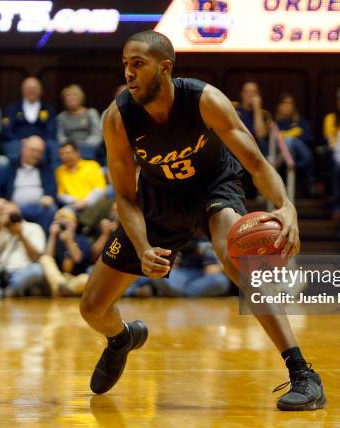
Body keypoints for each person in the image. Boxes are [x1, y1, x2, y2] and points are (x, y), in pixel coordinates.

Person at [79, 31, 325, 411]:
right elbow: (126, 196)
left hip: (213, 188)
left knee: (236, 258)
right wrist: (143, 248)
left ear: (165, 68)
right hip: (158, 201)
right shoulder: (118, 118)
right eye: (125, 64)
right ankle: (121, 339)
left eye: (138, 64)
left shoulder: (204, 99)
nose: (129, 73)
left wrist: (286, 205)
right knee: (92, 308)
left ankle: (302, 373)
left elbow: (257, 163)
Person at [55, 141, 107, 212]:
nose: (64, 156)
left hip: (94, 203)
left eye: (68, 153)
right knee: (61, 215)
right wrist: (75, 201)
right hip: (73, 205)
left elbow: (100, 188)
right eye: (61, 154)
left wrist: (86, 202)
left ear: (77, 152)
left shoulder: (92, 165)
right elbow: (61, 194)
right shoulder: (59, 171)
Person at [56, 84, 103, 160]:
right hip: (68, 148)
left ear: (80, 97)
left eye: (74, 95)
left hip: (89, 147)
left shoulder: (91, 113)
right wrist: (71, 146)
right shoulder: (61, 117)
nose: (70, 98)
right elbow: (60, 136)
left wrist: (83, 144)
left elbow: (97, 135)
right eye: (67, 96)